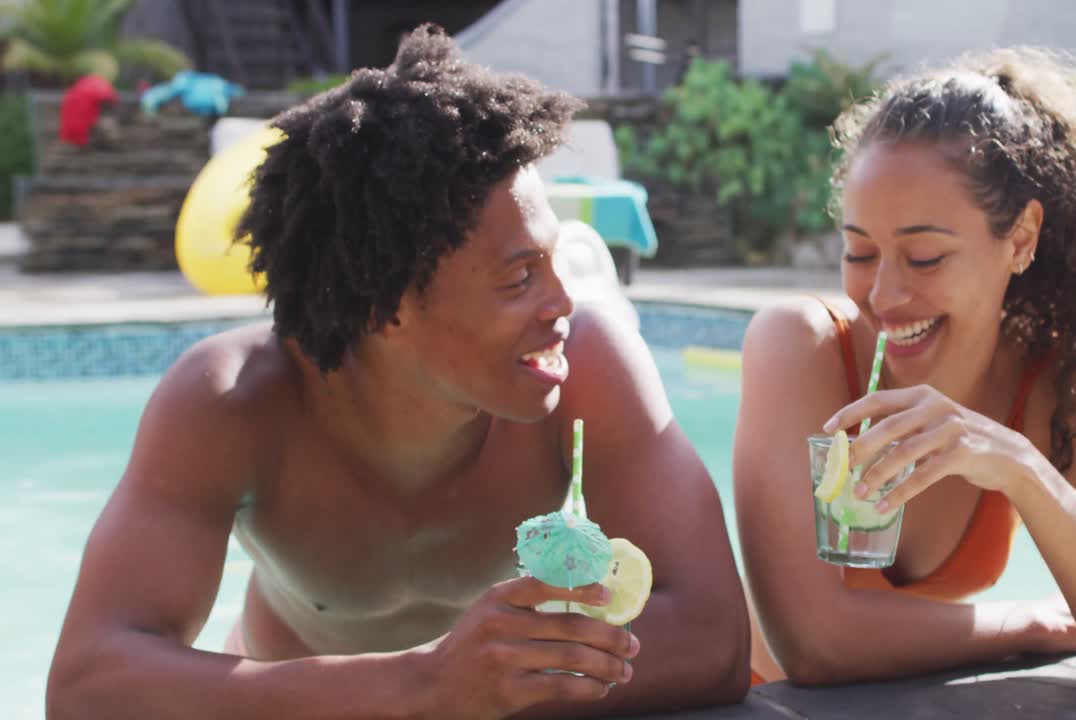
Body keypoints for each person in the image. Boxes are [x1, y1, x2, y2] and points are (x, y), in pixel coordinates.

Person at [47, 24, 749, 720]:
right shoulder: (235, 402)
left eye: (555, 260)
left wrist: (483, 691)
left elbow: (715, 639)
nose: (563, 301)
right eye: (519, 279)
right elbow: (87, 684)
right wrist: (421, 689)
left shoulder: (590, 370)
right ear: (383, 305)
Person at [734, 47, 1076, 696]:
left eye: (923, 257)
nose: (884, 294)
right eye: (859, 251)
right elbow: (811, 643)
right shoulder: (801, 346)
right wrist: (1026, 625)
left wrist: (1022, 468)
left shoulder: (1057, 387)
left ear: (1022, 237)